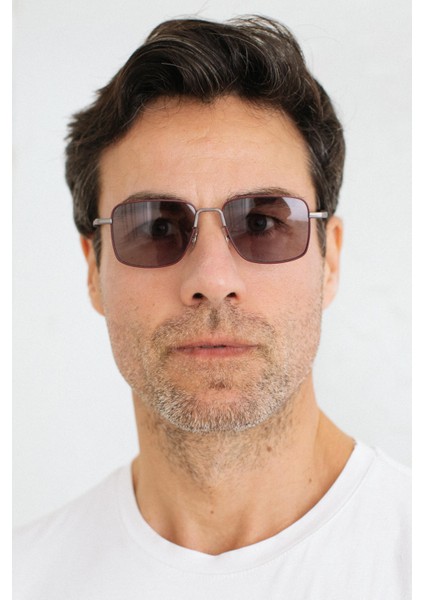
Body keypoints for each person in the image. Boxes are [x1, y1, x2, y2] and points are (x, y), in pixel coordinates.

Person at [13, 15, 410, 599]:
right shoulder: (24, 576)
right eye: (156, 227)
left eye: (263, 223)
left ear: (330, 261)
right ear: (93, 270)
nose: (212, 279)